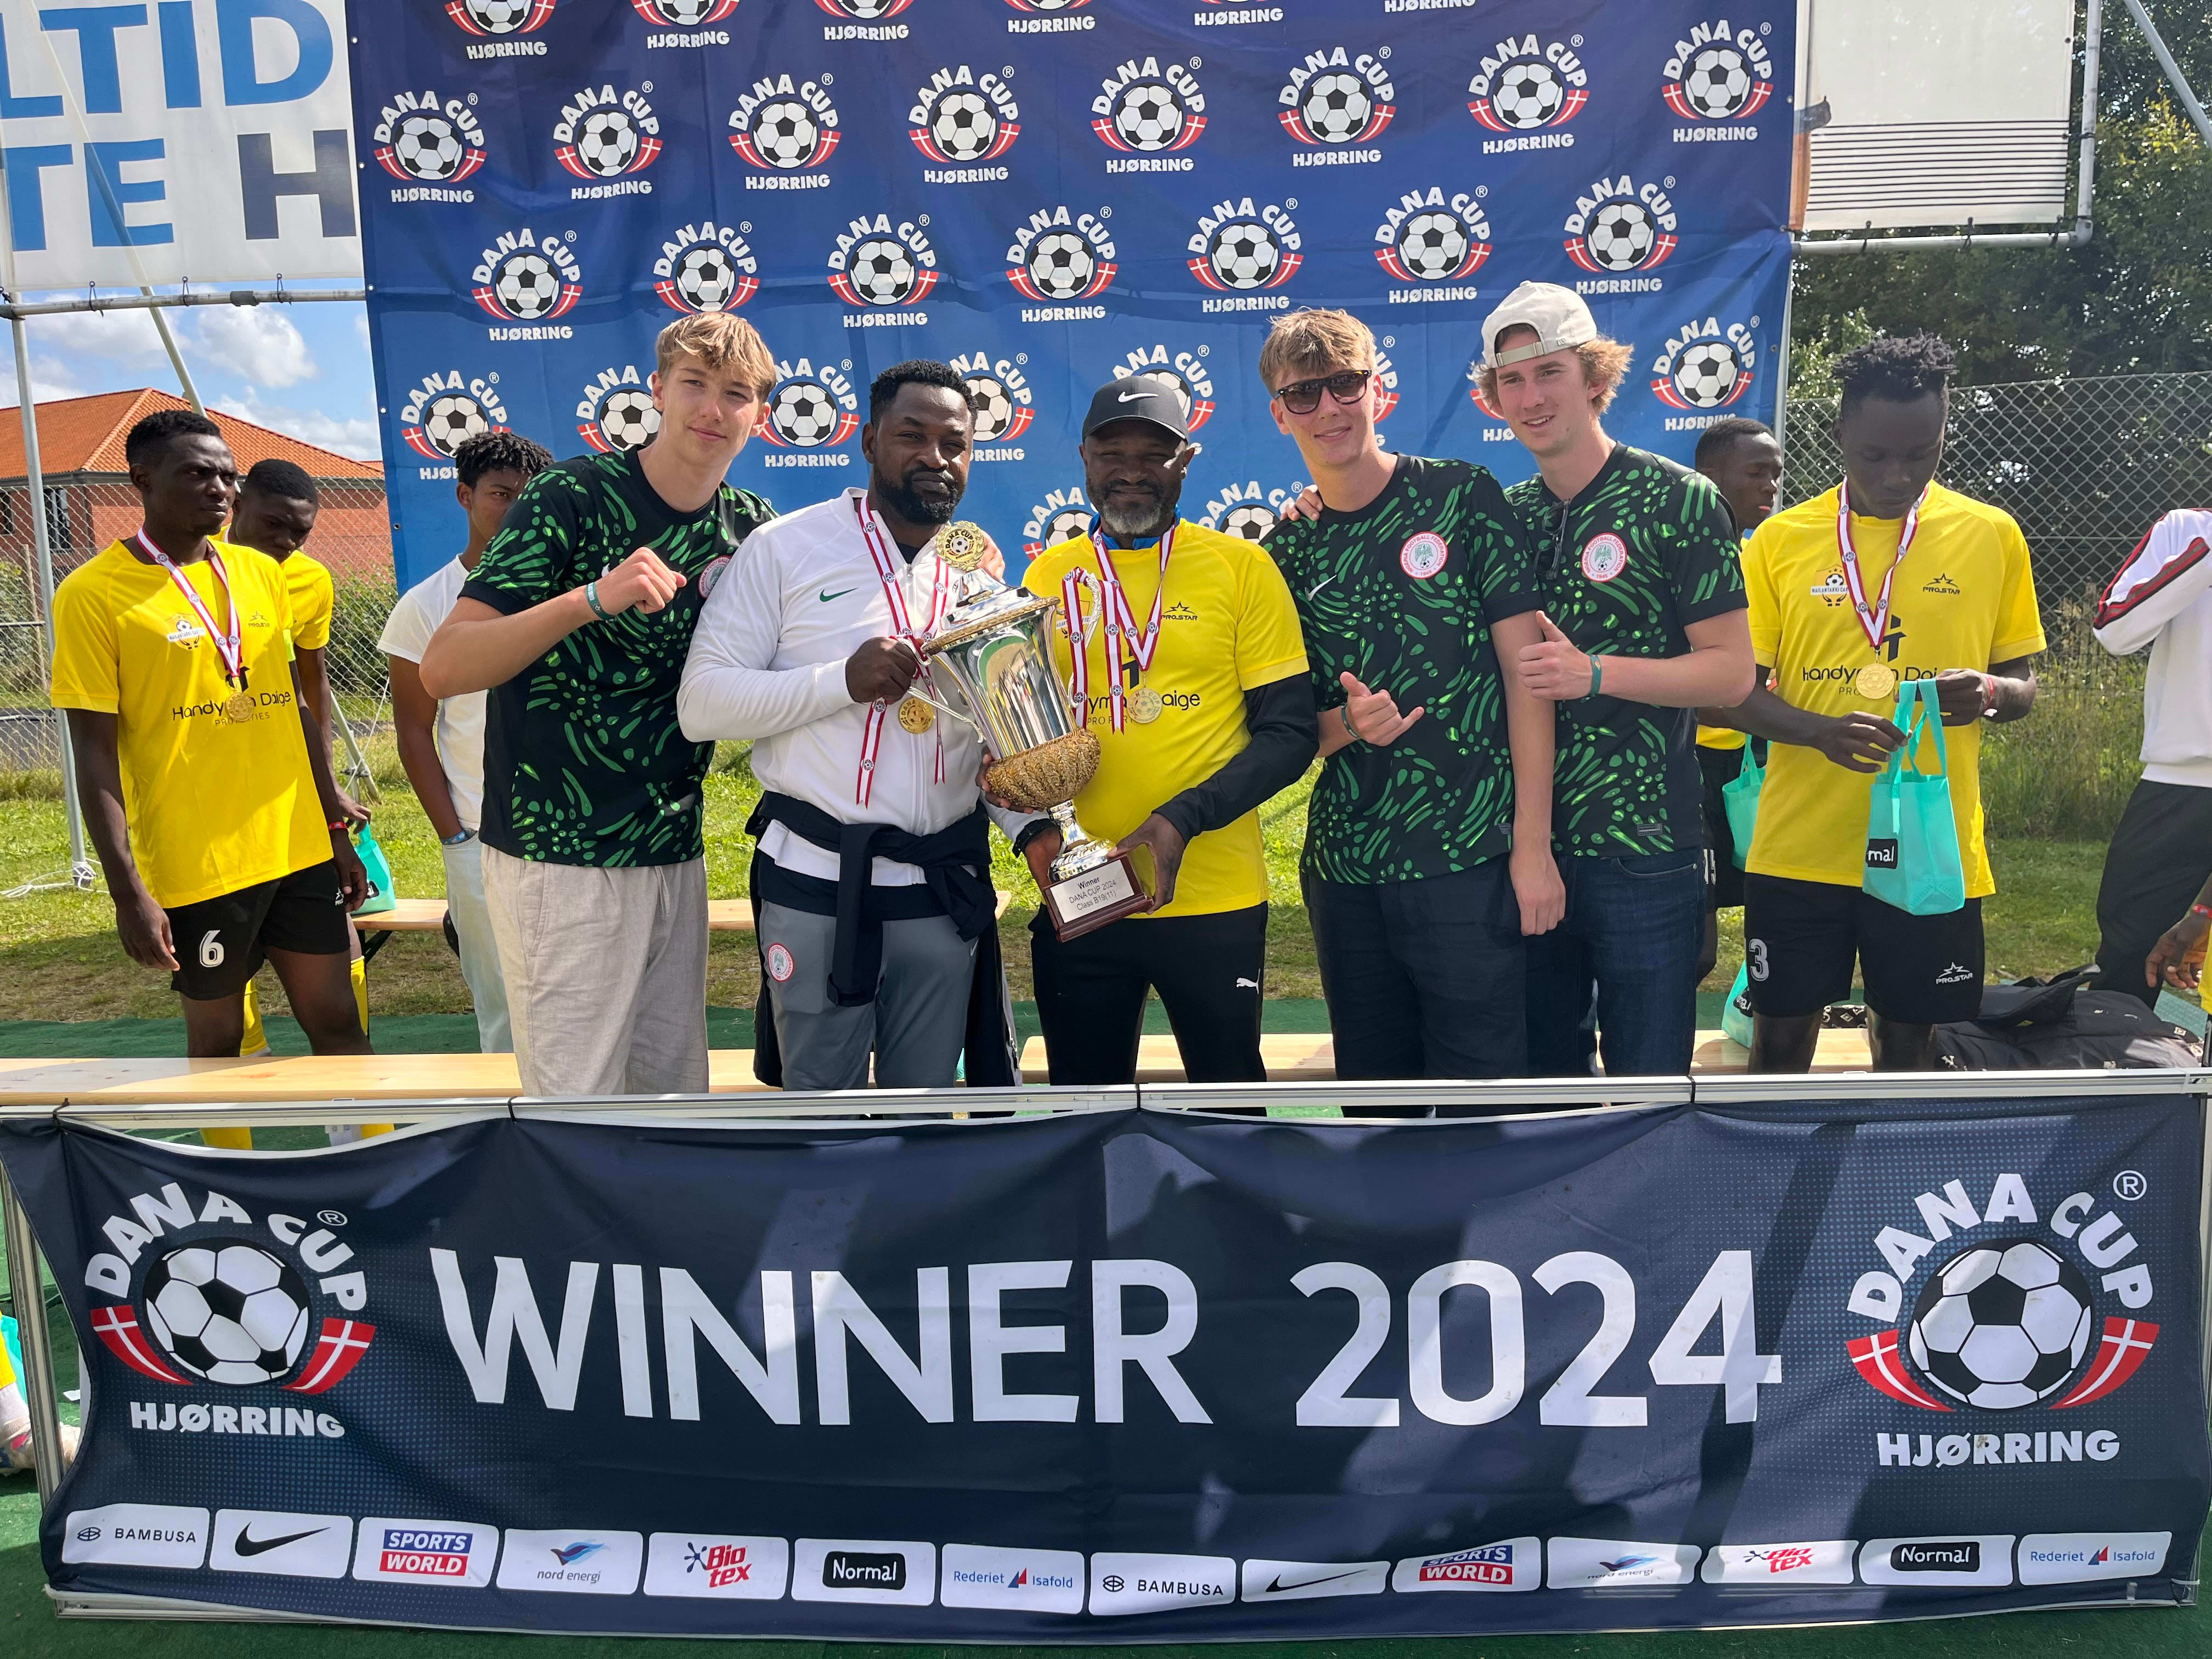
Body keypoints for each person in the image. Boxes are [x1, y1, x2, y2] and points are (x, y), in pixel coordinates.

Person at [418, 313, 776, 1097]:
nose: (713, 408)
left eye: (736, 393)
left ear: (760, 414)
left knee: (669, 1099)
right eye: (694, 383)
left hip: (673, 848)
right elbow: (445, 667)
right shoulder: (573, 496)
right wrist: (591, 599)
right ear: (658, 391)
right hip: (560, 852)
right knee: (576, 1102)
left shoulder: (751, 527)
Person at [680, 361, 1037, 1092]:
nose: (935, 457)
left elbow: (993, 746)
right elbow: (703, 705)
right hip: (817, 878)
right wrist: (841, 681)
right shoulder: (784, 549)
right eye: (913, 436)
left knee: (924, 1110)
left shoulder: (976, 579)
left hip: (939, 888)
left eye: (955, 444)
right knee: (821, 1111)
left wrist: (1037, 831)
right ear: (871, 441)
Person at [1719, 334, 2043, 1072]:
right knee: (1779, 1046)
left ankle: (1893, 1154)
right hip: (1801, 846)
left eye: (1922, 454)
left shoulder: (1991, 535)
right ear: (1839, 435)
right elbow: (1732, 693)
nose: (1898, 476)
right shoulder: (1779, 541)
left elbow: (2023, 685)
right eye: (1874, 456)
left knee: (1907, 1045)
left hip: (1930, 847)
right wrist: (1819, 733)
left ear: (1944, 434)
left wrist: (1992, 692)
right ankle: (1772, 1157)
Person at [1259, 308, 1564, 1090]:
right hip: (1346, 872)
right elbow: (1283, 732)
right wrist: (1347, 724)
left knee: (1483, 1100)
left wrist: (1533, 847)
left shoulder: (1462, 496)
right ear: (1279, 414)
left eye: (1345, 384)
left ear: (1377, 390)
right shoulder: (1284, 551)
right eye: (1303, 394)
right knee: (1375, 1105)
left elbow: (1529, 679)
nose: (1329, 408)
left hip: (1470, 855)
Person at [1483, 283, 1755, 1078]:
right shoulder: (1504, 514)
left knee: (1649, 1086)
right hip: (1529, 847)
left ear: (1596, 376)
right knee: (1543, 1084)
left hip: (1647, 849)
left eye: (1550, 372)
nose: (1531, 398)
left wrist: (1594, 673)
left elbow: (1731, 673)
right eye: (1512, 381)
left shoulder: (1680, 500)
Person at [1018, 377, 1316, 1085]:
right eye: (1111, 452)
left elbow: (1289, 733)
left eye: (1153, 454)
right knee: (1084, 1111)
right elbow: (1018, 741)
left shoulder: (1242, 568)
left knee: (1227, 1108)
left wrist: (1184, 817)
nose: (1131, 471)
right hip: (1085, 896)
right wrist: (1034, 832)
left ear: (1186, 461)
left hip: (1214, 897)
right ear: (1084, 458)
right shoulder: (1046, 578)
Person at [49, 409, 370, 1058]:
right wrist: (128, 892)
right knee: (221, 1041)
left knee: (338, 1022)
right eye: (198, 474)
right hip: (201, 864)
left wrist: (335, 829)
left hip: (297, 847)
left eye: (227, 476)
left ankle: (375, 1133)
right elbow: (94, 752)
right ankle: (228, 1139)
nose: (219, 489)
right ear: (142, 479)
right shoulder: (92, 594)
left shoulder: (261, 574)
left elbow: (294, 707)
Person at [380, 431, 552, 1053]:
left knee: (582, 991)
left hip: (572, 830)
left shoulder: (570, 591)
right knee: (503, 1001)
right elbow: (413, 729)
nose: (516, 509)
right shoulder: (427, 605)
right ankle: (510, 1112)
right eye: (501, 494)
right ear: (464, 496)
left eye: (529, 497)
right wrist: (454, 837)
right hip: (482, 831)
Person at [223, 457, 370, 1075]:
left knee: (338, 950)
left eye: (301, 533)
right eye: (274, 525)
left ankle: (357, 1116)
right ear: (237, 506)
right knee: (228, 983)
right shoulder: (186, 577)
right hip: (212, 803)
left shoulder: (309, 581)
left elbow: (312, 684)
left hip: (291, 790)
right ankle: (241, 1088)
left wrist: (326, 785)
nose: (287, 543)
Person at [2089, 509, 2212, 1008]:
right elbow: (2116, 631)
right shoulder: (2186, 530)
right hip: (2182, 779)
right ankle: (2118, 1051)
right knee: (2131, 946)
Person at [1691, 416, 1785, 983]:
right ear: (1709, 478)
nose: (1770, 486)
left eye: (1775, 474)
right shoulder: (1675, 558)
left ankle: (1761, 1026)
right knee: (1695, 951)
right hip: (1691, 766)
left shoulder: (1770, 559)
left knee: (1776, 935)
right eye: (1756, 473)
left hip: (1761, 762)